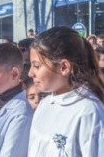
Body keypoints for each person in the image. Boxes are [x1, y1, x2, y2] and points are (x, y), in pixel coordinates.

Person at [28, 26, 104, 157]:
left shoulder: (89, 112)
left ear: (64, 67)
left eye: (37, 66)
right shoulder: (44, 105)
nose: (30, 73)